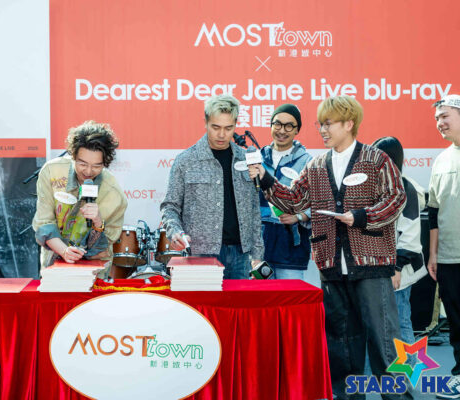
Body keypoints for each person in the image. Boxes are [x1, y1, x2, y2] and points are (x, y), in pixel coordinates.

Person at [249, 95, 410, 399]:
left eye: (328, 123)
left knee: (385, 346)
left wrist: (361, 217)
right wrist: (266, 179)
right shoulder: (316, 165)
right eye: (320, 124)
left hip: (371, 266)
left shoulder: (376, 159)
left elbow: (396, 198)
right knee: (341, 347)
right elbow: (294, 200)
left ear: (349, 123)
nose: (322, 130)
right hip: (331, 268)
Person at [160, 94, 263, 278]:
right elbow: (170, 206)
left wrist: (257, 255)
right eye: (216, 127)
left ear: (235, 125)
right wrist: (175, 231)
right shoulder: (186, 161)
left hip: (241, 254)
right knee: (203, 299)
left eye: (228, 128)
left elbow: (254, 210)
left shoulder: (246, 159)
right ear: (206, 122)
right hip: (200, 253)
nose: (222, 134)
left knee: (240, 299)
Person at [32, 120, 127, 275]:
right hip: (54, 265)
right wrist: (64, 251)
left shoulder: (113, 194)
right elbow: (44, 223)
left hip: (94, 272)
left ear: (105, 163)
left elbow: (103, 246)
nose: (88, 171)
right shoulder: (52, 172)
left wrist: (98, 222)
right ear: (73, 156)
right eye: (82, 164)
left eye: (97, 166)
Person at [372, 137, 427, 345]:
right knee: (379, 324)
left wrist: (396, 267)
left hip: (398, 270)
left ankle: (408, 367)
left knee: (400, 321)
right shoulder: (377, 186)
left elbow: (410, 236)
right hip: (378, 268)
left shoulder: (405, 188)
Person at [428, 94, 460, 398]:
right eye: (437, 118)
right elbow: (434, 212)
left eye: (445, 116)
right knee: (456, 322)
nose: (439, 123)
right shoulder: (441, 160)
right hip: (450, 257)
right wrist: (434, 255)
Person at [258, 104, 312, 280]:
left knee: (290, 296)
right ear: (271, 125)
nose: (282, 130)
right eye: (278, 124)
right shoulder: (257, 159)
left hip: (291, 248)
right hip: (260, 248)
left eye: (289, 126)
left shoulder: (308, 162)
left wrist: (299, 216)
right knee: (260, 296)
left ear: (297, 130)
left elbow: (320, 201)